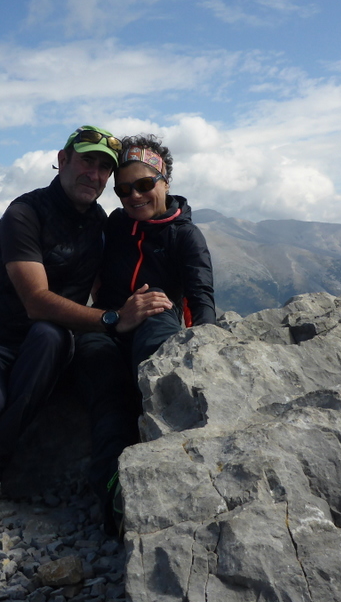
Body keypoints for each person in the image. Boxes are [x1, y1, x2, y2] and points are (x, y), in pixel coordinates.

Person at [0, 125, 173, 507]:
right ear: (63, 160)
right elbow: (37, 302)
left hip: (51, 347)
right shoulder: (24, 215)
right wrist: (112, 319)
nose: (94, 174)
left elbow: (110, 279)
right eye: (87, 162)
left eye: (104, 168)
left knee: (49, 336)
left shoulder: (100, 225)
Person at [74, 134, 215, 534]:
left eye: (143, 184)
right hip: (107, 327)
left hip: (156, 325)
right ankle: (115, 496)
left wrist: (206, 352)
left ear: (165, 181)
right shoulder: (116, 225)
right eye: (123, 189)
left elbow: (201, 303)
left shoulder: (185, 236)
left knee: (156, 332)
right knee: (108, 394)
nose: (133, 196)